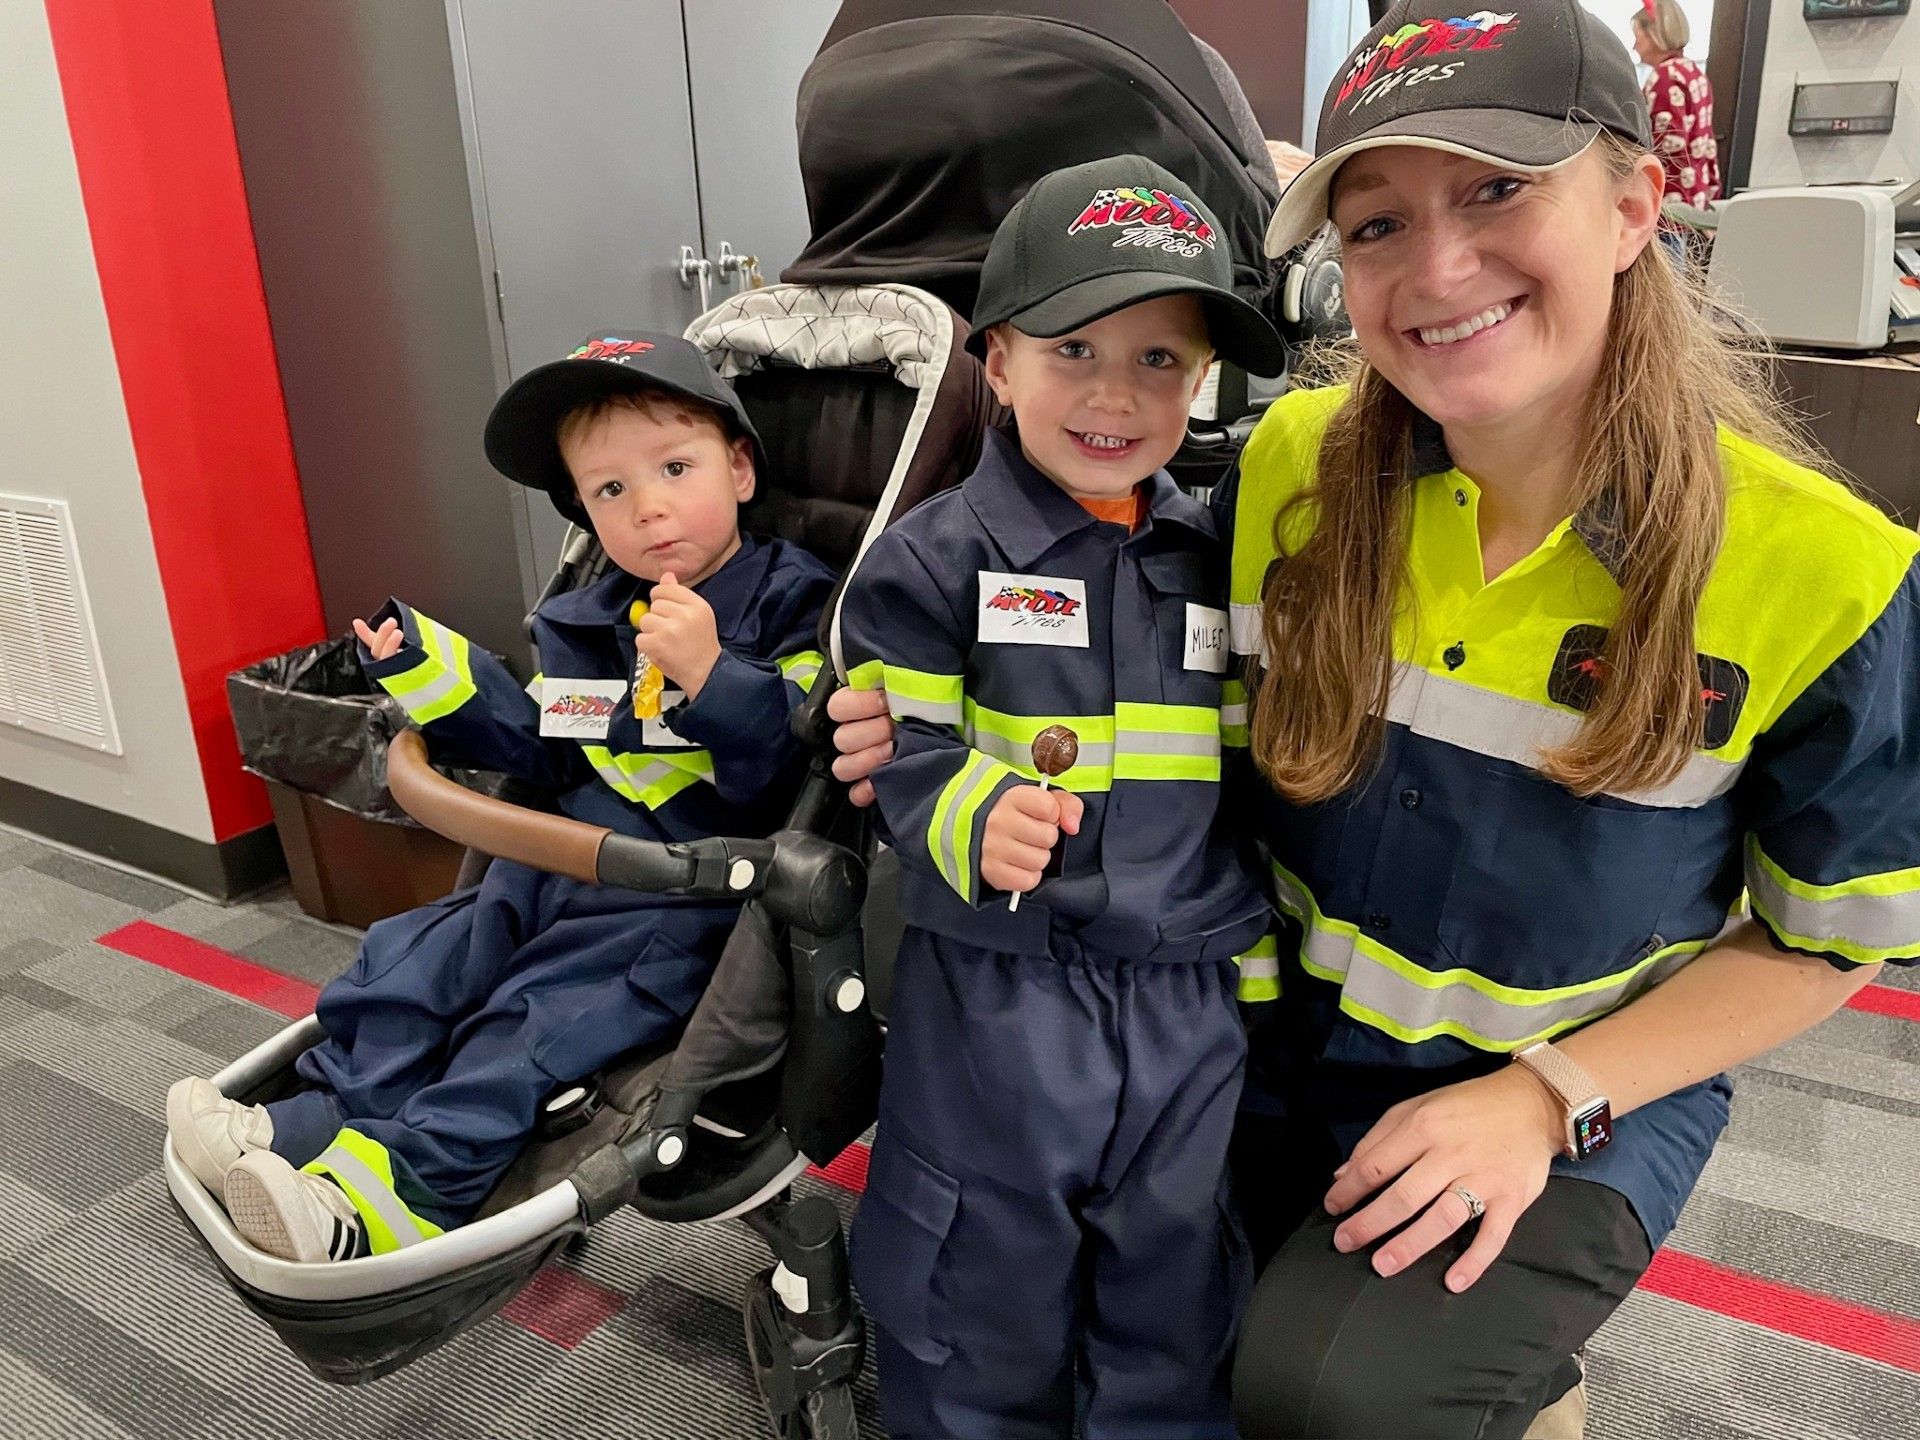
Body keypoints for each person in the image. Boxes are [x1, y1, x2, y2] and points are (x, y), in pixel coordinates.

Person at [830, 3, 1920, 1435]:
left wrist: (1547, 1097)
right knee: (1087, 1296)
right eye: (1379, 223)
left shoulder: (1827, 572)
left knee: (1328, 1394)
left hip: (1561, 1082)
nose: (1438, 268)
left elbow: (1830, 941)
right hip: (1248, 1033)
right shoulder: (1287, 467)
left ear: (1633, 207)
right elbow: (1119, 648)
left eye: (1498, 190)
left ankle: (1518, 1368)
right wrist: (921, 740)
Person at [168, 332, 834, 1262]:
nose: (647, 507)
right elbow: (543, 742)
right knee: (416, 964)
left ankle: (395, 1199)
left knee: (529, 1026)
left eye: (675, 469)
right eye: (609, 490)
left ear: (741, 471)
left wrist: (713, 675)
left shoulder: (793, 601)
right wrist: (431, 672)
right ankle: (311, 1124)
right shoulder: (592, 620)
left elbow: (787, 764)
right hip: (550, 862)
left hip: (676, 898)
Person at [835, 155, 1287, 1439]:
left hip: (1188, 992)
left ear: (1204, 380)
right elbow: (904, 745)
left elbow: (1245, 775)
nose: (1114, 393)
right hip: (1003, 990)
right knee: (981, 1275)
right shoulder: (934, 561)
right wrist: (974, 809)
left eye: (1160, 359)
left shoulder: (1216, 555)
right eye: (1074, 347)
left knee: (1177, 1272)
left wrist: (1256, 967)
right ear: (999, 360)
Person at [1633, 0, 1719, 208]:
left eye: (1637, 37)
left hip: (1671, 205)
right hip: (1695, 198)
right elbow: (1707, 143)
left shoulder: (1665, 79)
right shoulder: (1694, 73)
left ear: (1654, 35)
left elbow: (1667, 152)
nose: (1634, 46)